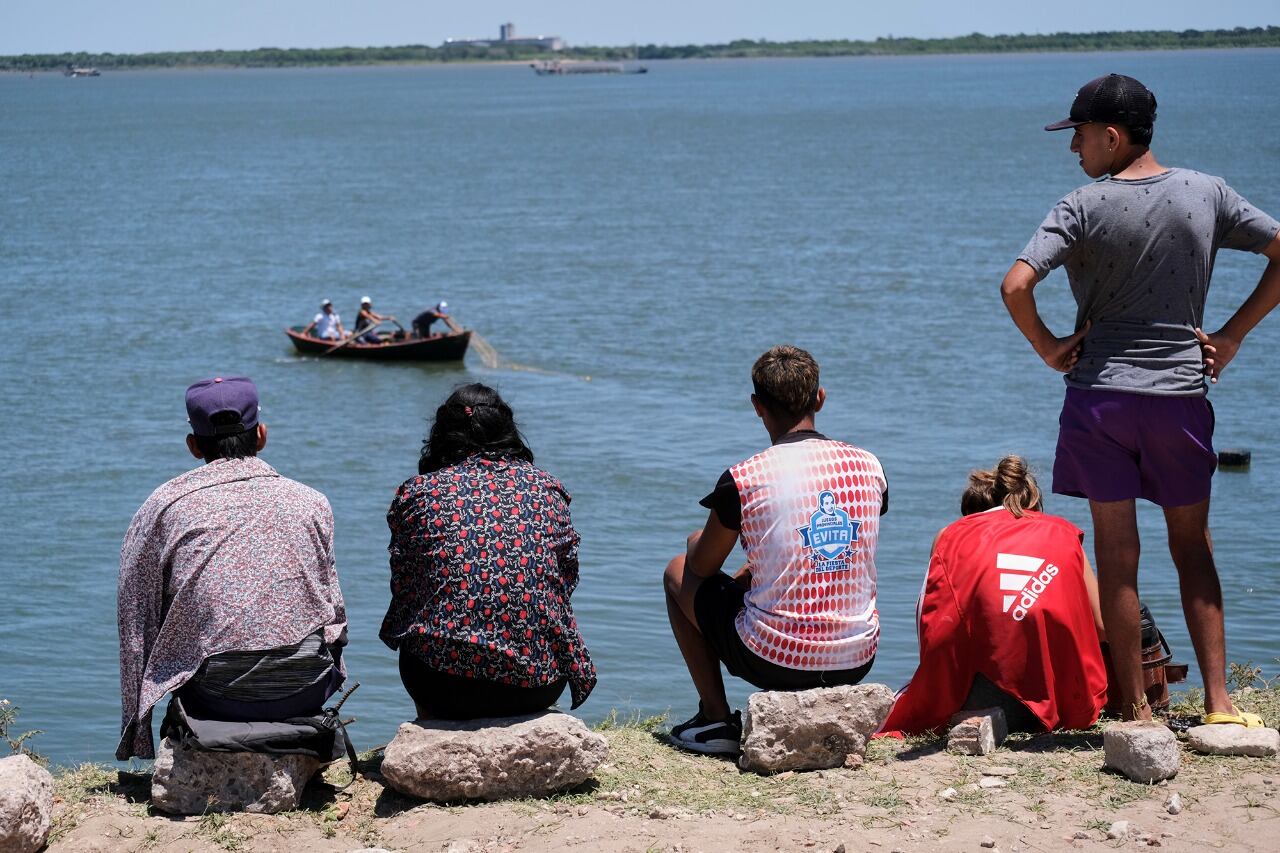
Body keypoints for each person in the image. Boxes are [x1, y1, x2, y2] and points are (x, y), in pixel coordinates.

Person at [1001, 73, 1280, 726]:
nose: (1074, 152)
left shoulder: (1079, 207)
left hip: (1100, 400)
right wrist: (1233, 335)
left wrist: (1047, 346)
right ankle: (1219, 705)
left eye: (1078, 137)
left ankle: (1132, 711)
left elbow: (1016, 285)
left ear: (1111, 136)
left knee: (1117, 557)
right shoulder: (1206, 193)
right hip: (1178, 397)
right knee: (1193, 547)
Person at [663, 345, 887, 755]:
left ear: (756, 406)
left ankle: (715, 720)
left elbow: (702, 564)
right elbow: (831, 553)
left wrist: (696, 541)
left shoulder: (745, 478)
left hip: (776, 659)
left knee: (678, 570)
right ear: (820, 398)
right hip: (857, 656)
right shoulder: (869, 466)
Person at [117, 376, 348, 760]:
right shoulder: (312, 502)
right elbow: (334, 612)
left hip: (215, 697)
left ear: (193, 446)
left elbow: (135, 618)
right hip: (306, 686)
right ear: (261, 435)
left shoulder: (163, 507)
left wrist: (136, 730)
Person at [380, 383, 596, 719]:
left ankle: (434, 731)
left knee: (420, 631)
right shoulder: (548, 488)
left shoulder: (417, 493)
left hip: (440, 686)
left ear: (442, 435)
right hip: (536, 684)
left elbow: (405, 587)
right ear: (508, 431)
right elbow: (565, 582)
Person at [880, 456, 1108, 735]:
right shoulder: (1064, 532)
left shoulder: (949, 536)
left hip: (967, 704)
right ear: (1033, 504)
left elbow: (931, 629)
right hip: (1057, 706)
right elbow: (1103, 627)